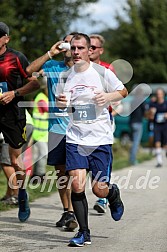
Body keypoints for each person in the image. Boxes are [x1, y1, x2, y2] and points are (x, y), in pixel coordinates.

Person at [56, 33, 128, 247]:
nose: (76, 52)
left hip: (99, 139)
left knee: (99, 190)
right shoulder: (68, 76)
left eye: (80, 48)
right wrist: (61, 104)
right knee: (77, 184)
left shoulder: (102, 72)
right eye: (73, 48)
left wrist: (108, 97)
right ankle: (84, 233)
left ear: (89, 50)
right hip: (76, 138)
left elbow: (123, 91)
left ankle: (112, 193)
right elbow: (66, 106)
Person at [26, 32, 78, 230]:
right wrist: (50, 52)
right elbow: (29, 70)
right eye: (65, 42)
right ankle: (68, 212)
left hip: (77, 129)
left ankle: (74, 211)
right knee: (61, 173)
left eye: (72, 43)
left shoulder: (86, 71)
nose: (68, 46)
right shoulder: (52, 66)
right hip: (56, 128)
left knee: (75, 172)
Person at [0, 22, 39, 221]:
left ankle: (21, 194)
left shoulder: (16, 58)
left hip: (12, 115)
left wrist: (14, 93)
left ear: (7, 38)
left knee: (15, 160)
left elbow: (35, 82)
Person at [89, 34, 116, 214]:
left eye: (93, 47)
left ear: (101, 50)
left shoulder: (107, 68)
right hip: (81, 121)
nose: (89, 50)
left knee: (102, 155)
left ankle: (102, 194)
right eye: (87, 46)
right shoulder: (77, 68)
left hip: (103, 119)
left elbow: (117, 91)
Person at [0, 110, 34, 205]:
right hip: (26, 123)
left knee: (7, 162)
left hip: (14, 123)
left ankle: (16, 195)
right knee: (14, 161)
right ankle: (10, 194)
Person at [31, 83, 48, 181]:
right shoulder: (41, 99)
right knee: (43, 154)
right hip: (38, 133)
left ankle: (37, 175)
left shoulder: (45, 98)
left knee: (41, 155)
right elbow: (50, 110)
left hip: (44, 134)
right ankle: (40, 176)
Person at [148, 88, 167, 167]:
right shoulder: (153, 104)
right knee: (157, 142)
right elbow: (148, 116)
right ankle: (159, 161)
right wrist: (151, 113)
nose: (159, 95)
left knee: (165, 144)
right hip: (157, 126)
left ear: (163, 95)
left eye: (160, 94)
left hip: (165, 125)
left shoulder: (166, 103)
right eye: (157, 94)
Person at [129, 88, 147, 165]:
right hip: (138, 123)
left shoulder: (132, 101)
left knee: (133, 141)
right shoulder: (141, 101)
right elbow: (145, 112)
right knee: (136, 142)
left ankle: (132, 158)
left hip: (132, 122)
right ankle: (133, 159)